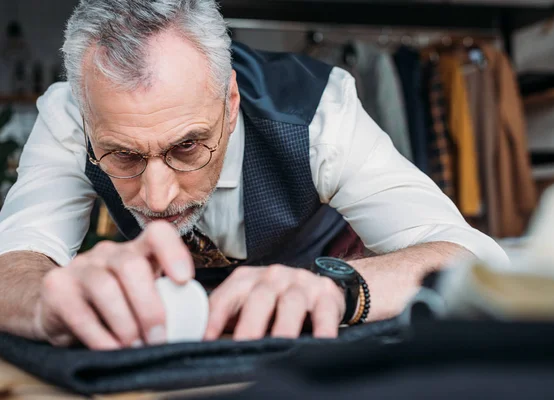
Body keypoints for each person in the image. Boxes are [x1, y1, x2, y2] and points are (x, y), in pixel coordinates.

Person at [0, 0, 508, 350]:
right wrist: (46, 302)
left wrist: (339, 289)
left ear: (232, 100)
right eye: (124, 156)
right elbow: (12, 261)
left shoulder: (320, 115)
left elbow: (476, 257)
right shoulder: (71, 113)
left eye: (187, 145)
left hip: (313, 347)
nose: (156, 198)